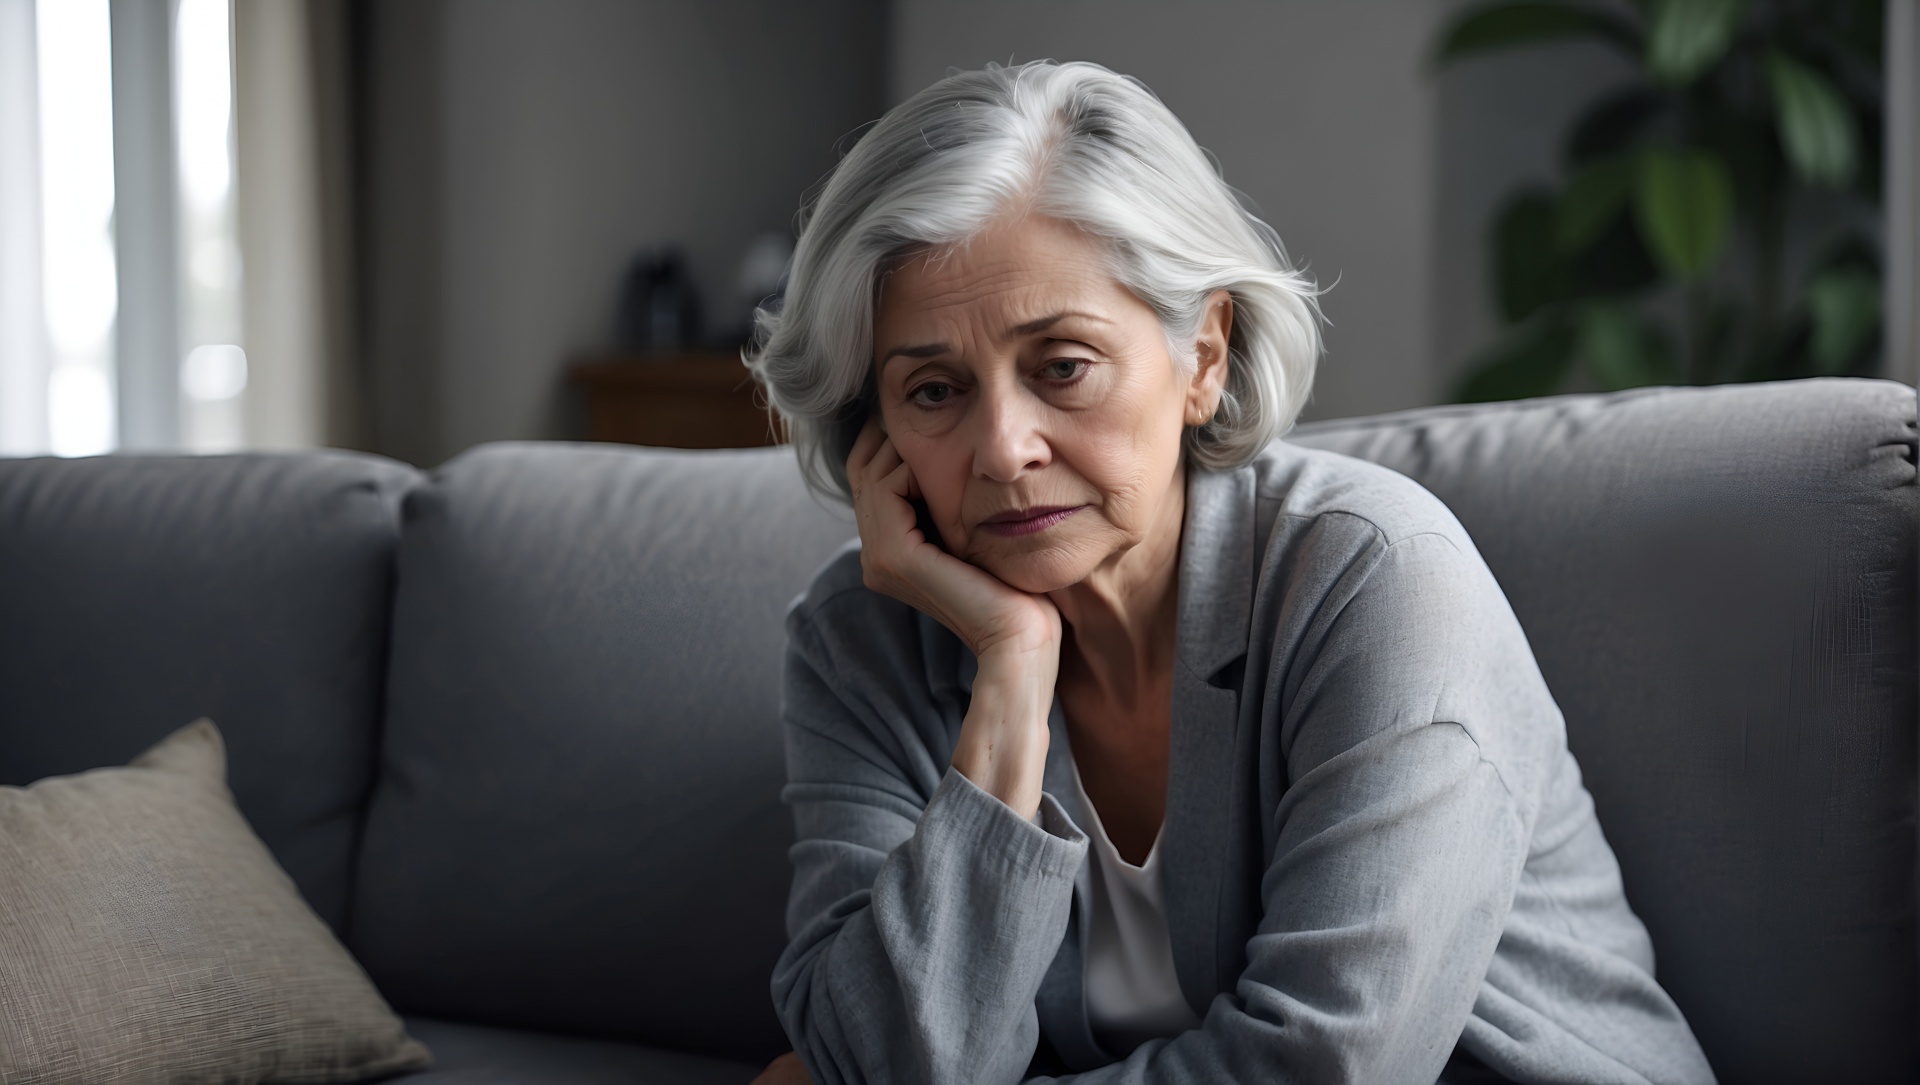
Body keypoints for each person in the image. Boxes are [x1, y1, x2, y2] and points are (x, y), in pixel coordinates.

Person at [742, 60, 1714, 1085]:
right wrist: (1012, 676)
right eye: (933, 389)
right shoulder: (864, 638)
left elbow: (1330, 1064)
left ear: (1204, 354)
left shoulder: (1373, 580)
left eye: (1062, 365)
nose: (1002, 447)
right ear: (875, 426)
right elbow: (887, 1062)